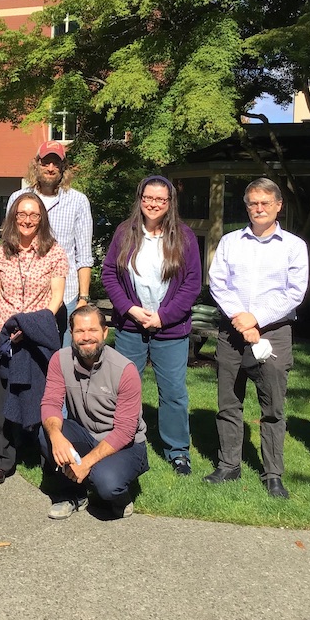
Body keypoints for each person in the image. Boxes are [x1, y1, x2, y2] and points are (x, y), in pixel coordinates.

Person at [206, 177, 308, 499]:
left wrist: (257, 319)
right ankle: (229, 464)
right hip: (232, 333)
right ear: (247, 206)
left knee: (273, 407)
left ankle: (273, 473)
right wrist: (242, 320)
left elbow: (294, 293)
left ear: (278, 206)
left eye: (266, 203)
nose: (259, 208)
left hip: (274, 333)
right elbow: (218, 283)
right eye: (253, 203)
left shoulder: (293, 246)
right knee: (228, 402)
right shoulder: (230, 242)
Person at [102, 176, 202, 475]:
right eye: (148, 198)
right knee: (124, 389)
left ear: (170, 203)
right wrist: (130, 309)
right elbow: (109, 274)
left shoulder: (184, 237)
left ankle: (177, 451)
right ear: (140, 198)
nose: (154, 204)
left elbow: (192, 284)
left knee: (172, 392)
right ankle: (121, 440)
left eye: (161, 199)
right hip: (131, 327)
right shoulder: (125, 232)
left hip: (170, 330)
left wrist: (163, 316)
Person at [0, 192, 68, 484]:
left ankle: (46, 455)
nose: (27, 220)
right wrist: (4, 324)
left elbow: (56, 297)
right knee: (1, 395)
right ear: (14, 217)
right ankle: (2, 457)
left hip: (36, 333)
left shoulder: (54, 252)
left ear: (42, 218)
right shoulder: (2, 251)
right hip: (2, 332)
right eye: (22, 214)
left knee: (41, 395)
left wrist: (30, 325)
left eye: (34, 215)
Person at [40, 306, 150, 520]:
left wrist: (85, 463)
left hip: (125, 445)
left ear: (105, 333)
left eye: (93, 330)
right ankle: (72, 494)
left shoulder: (125, 370)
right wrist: (56, 437)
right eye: (80, 331)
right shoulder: (59, 360)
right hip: (84, 433)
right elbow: (51, 402)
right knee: (46, 433)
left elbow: (126, 431)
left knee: (106, 483)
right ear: (71, 334)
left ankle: (118, 496)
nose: (86, 337)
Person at [8, 141, 93, 343]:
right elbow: (9, 247)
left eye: (56, 163)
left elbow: (84, 256)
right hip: (25, 296)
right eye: (46, 162)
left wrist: (83, 298)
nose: (51, 168)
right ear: (37, 164)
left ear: (63, 167)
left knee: (63, 361)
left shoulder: (78, 202)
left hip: (67, 296)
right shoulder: (17, 198)